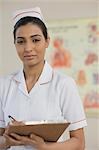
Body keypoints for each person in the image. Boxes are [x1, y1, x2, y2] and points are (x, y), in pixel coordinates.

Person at [0, 7, 87, 150]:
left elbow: (79, 143)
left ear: (47, 41)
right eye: (21, 41)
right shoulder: (3, 85)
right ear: (15, 44)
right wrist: (8, 141)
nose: (28, 48)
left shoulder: (64, 84)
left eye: (35, 40)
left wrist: (44, 147)